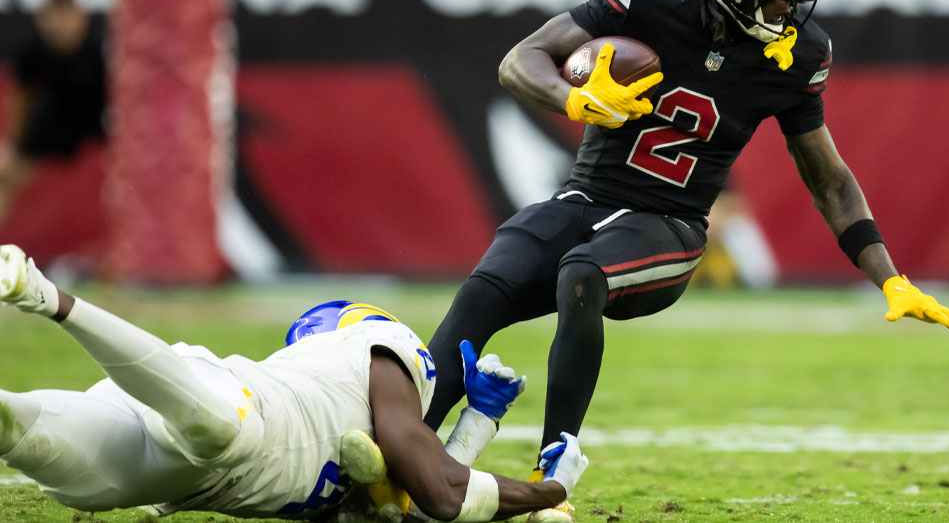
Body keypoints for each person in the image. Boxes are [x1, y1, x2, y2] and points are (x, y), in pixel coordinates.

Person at [418, 0, 949, 522]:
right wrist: (572, 97)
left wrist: (889, 277)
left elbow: (829, 178)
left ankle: (552, 481)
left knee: (582, 275)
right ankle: (406, 450)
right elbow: (523, 58)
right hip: (585, 197)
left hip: (671, 226)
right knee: (487, 284)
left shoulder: (796, 55)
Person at [0, 244, 587, 521]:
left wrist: (478, 421)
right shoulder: (383, 354)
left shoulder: (359, 410)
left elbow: (420, 510)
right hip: (230, 413)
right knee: (219, 429)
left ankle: (49, 304)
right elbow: (441, 492)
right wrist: (549, 492)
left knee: (21, 434)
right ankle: (49, 298)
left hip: (169, 470)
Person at [1, 0, 107, 228]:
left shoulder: (100, 49)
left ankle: (125, 257)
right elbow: (23, 98)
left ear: (81, 15)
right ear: (40, 17)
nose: (58, 23)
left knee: (134, 178)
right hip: (57, 116)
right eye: (51, 14)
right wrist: (16, 144)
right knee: (5, 174)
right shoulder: (33, 52)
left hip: (101, 115)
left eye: (66, 13)